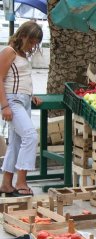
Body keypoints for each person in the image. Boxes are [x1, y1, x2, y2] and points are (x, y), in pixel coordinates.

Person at [0, 21, 43, 197]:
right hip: (13, 101)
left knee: (16, 142)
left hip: (22, 100)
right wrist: (4, 106)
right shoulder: (9, 51)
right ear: (23, 35)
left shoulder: (21, 53)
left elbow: (20, 77)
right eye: (31, 41)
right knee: (31, 136)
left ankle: (6, 184)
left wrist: (30, 94)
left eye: (35, 43)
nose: (33, 46)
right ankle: (21, 182)